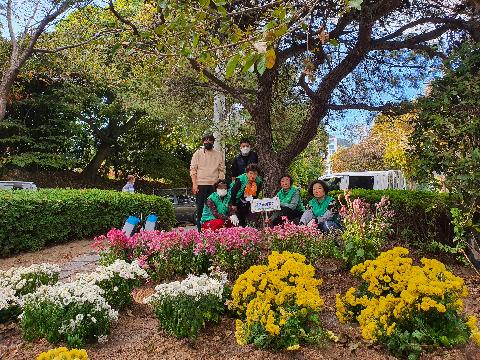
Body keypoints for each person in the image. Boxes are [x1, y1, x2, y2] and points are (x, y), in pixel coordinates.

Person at [190, 134, 226, 231]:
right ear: (203, 141)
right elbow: (193, 170)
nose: (208, 142)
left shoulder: (219, 154)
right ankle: (200, 231)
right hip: (201, 185)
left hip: (214, 186)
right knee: (201, 209)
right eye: (205, 140)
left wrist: (219, 183)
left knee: (215, 209)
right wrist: (194, 184)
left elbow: (222, 170)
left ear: (213, 142)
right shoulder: (197, 153)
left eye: (210, 140)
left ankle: (214, 230)